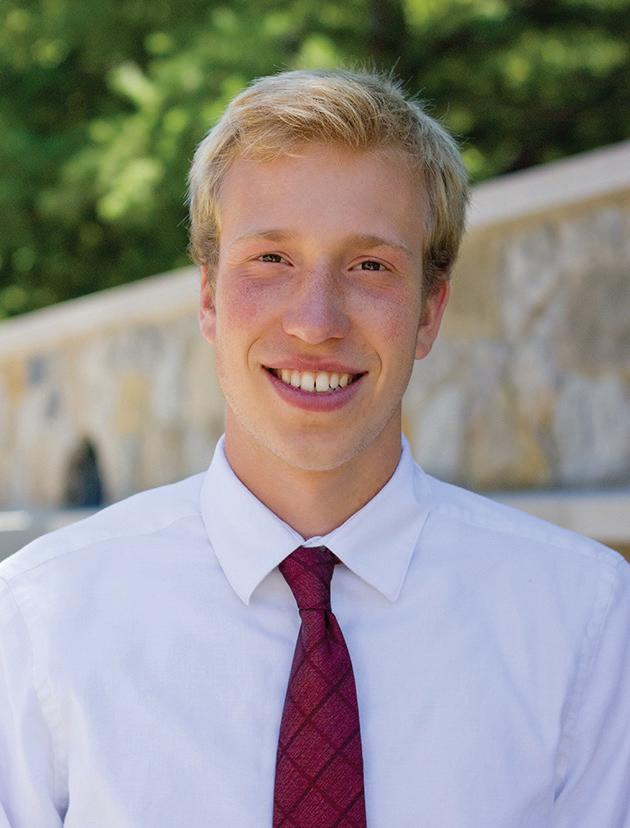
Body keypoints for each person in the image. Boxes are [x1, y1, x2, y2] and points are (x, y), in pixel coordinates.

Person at [0, 69, 628, 828]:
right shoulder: (40, 619)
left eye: (370, 266)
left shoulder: (585, 622)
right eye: (271, 260)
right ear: (208, 296)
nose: (315, 321)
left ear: (429, 312)